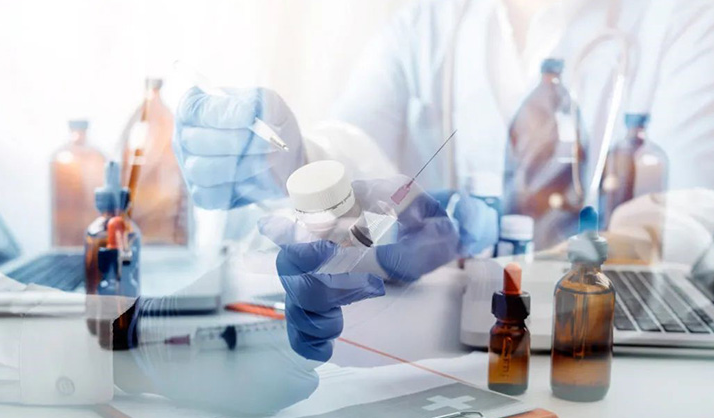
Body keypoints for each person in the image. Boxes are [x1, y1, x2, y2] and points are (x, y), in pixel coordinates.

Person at [173, 0, 714, 361]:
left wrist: (627, 240)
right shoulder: (430, 19)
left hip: (610, 345)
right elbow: (353, 143)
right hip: (458, 340)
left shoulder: (685, 19)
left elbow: (694, 209)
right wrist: (294, 169)